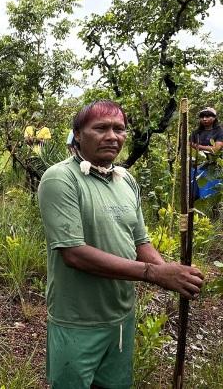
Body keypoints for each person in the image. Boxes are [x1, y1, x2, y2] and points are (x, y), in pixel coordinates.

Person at [38, 100, 204, 389]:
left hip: (121, 318)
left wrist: (172, 275)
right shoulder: (60, 179)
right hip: (77, 321)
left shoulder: (125, 179)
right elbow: (74, 254)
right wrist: (153, 274)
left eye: (119, 129)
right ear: (78, 134)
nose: (112, 136)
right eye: (100, 128)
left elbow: (141, 241)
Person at [190, 107, 223, 200]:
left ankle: (213, 213)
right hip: (196, 167)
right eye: (202, 117)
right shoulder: (195, 133)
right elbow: (188, 146)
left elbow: (216, 149)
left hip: (213, 168)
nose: (204, 119)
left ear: (214, 118)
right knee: (194, 196)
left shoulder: (220, 131)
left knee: (211, 196)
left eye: (208, 116)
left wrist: (197, 146)